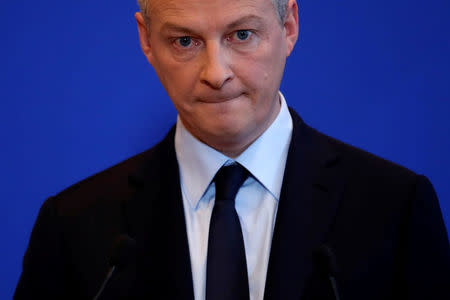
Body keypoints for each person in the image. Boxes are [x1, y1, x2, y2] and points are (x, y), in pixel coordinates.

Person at [14, 0, 450, 299]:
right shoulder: (74, 225)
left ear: (289, 26)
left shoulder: (395, 208)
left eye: (241, 35)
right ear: (146, 40)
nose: (215, 73)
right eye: (184, 41)